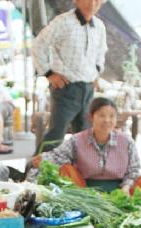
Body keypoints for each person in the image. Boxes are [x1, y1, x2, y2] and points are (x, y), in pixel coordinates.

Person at [30, 97, 141, 194]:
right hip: (85, 192)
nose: (107, 120)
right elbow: (57, 156)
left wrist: (125, 188)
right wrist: (41, 159)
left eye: (112, 116)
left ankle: (127, 206)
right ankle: (85, 202)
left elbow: (133, 170)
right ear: (91, 117)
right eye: (101, 115)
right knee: (66, 169)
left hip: (122, 193)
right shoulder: (77, 140)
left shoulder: (127, 141)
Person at [32, 0, 107, 153]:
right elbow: (38, 45)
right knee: (55, 137)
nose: (93, 3)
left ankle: (80, 175)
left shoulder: (99, 26)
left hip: (88, 90)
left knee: (85, 138)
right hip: (66, 89)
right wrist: (49, 73)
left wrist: (96, 71)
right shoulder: (63, 22)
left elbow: (101, 52)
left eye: (97, 0)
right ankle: (33, 173)